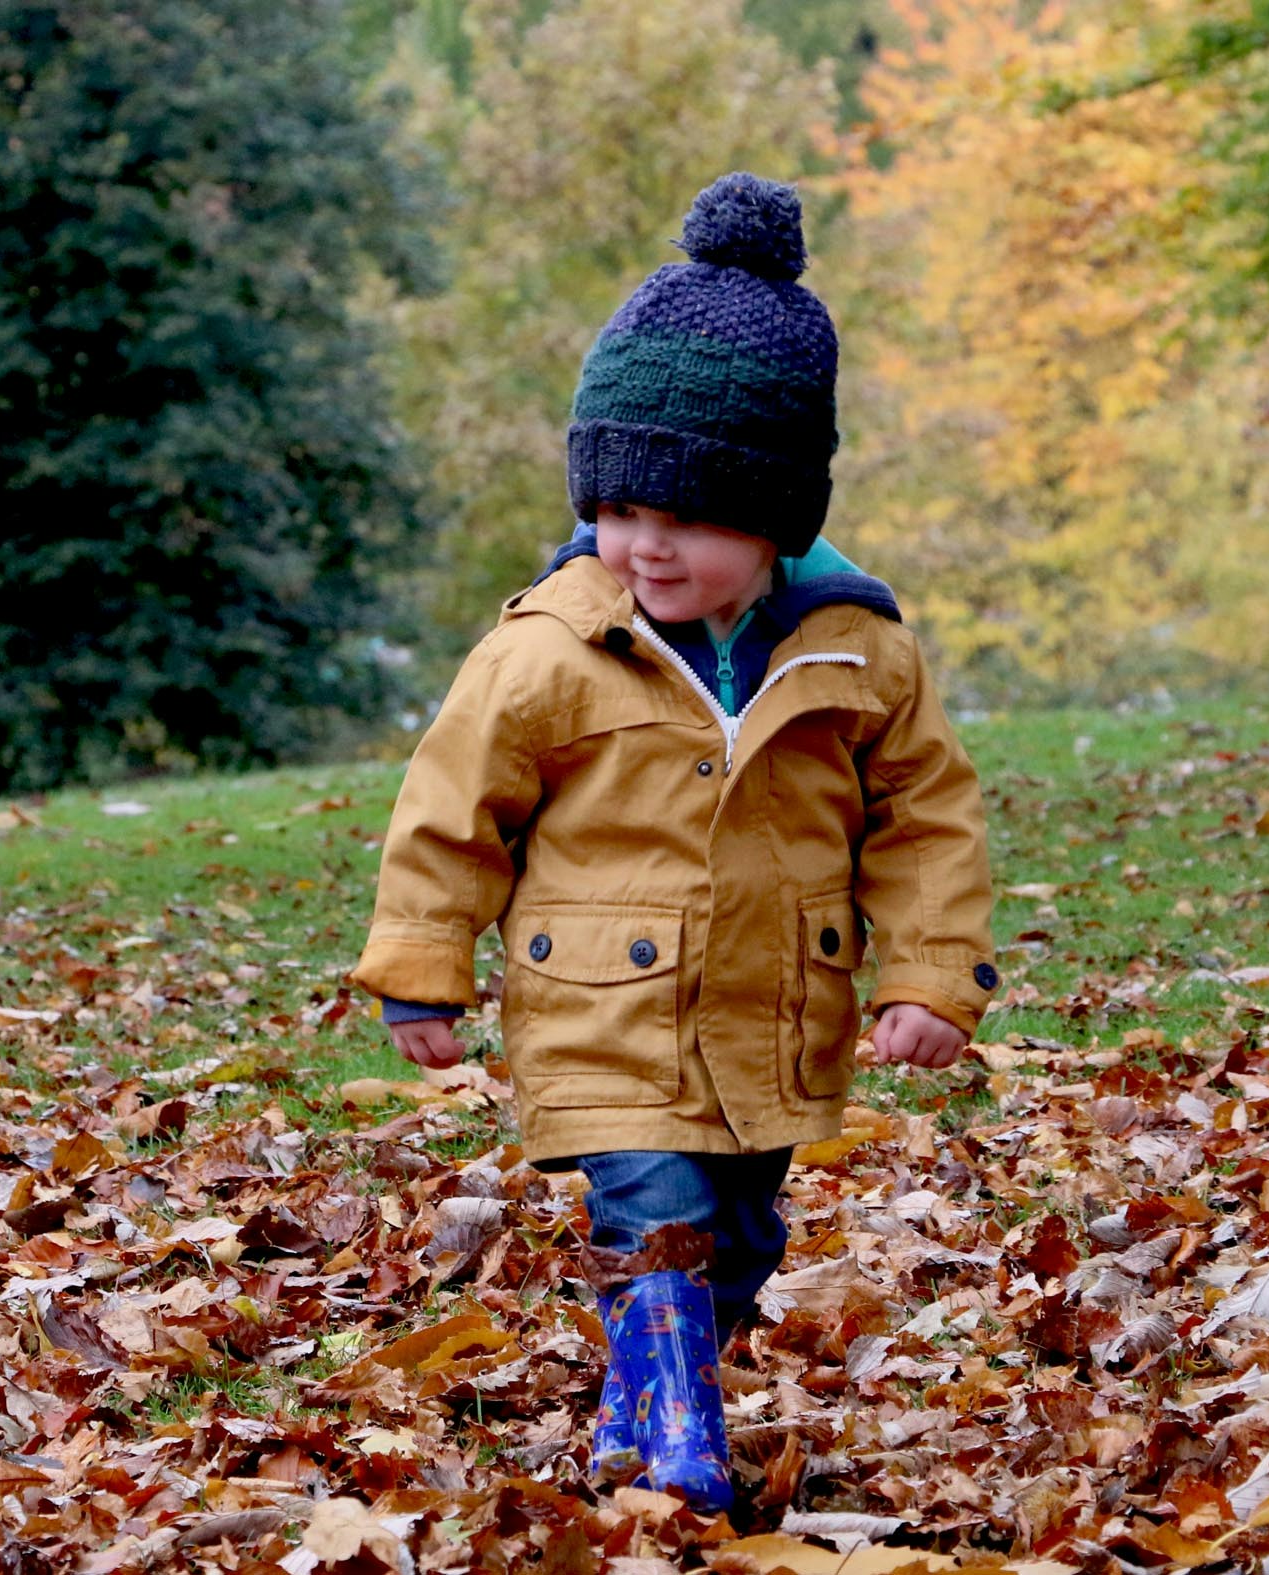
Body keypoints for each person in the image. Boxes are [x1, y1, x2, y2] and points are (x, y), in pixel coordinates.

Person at [348, 173, 998, 1514]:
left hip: (773, 1017)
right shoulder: (547, 650)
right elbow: (452, 802)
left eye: (686, 518)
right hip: (597, 1005)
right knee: (655, 1215)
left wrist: (930, 978)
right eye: (621, 511)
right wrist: (422, 960)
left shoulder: (856, 652)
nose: (644, 545)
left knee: (743, 1234)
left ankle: (638, 1411)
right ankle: (683, 1444)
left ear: (772, 517)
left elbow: (925, 821)